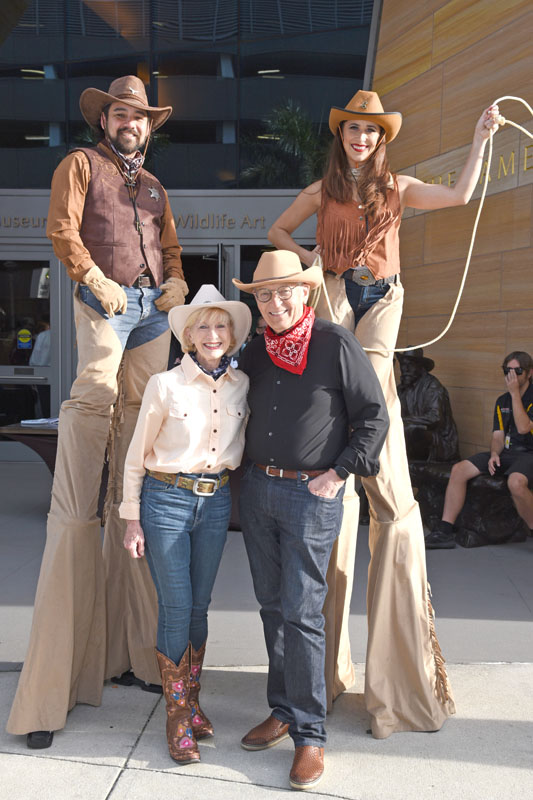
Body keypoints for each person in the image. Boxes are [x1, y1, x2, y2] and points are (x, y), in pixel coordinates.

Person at [267, 89, 501, 738]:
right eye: (353, 131)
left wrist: (480, 137)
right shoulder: (323, 188)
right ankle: (340, 453)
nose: (361, 139)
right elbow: (276, 230)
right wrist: (309, 261)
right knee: (336, 375)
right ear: (342, 135)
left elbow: (456, 196)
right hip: (337, 285)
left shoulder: (397, 186)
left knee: (370, 382)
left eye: (371, 132)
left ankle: (359, 451)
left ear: (380, 137)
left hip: (383, 294)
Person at [7, 75, 188, 748]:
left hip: (151, 315)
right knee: (93, 406)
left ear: (149, 125)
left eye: (139, 116)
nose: (130, 123)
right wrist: (94, 279)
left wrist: (174, 280)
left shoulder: (157, 187)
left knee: (143, 429)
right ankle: (62, 676)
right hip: (105, 302)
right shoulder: (79, 165)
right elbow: (61, 229)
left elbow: (169, 248)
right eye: (120, 113)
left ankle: (135, 654)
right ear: (105, 120)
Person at [233, 251, 389, 791]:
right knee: (273, 606)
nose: (274, 304)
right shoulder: (255, 352)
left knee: (302, 613)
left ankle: (310, 735)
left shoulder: (335, 343)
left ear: (304, 293)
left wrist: (339, 473)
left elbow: (374, 417)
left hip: (309, 494)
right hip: (257, 491)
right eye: (264, 295)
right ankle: (282, 710)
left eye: (284, 293)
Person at [120, 285, 250, 763]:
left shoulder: (241, 385)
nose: (212, 334)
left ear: (231, 335)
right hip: (165, 502)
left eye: (220, 325)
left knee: (200, 609)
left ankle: (192, 704)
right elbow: (136, 458)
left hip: (214, 503)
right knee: (176, 608)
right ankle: (176, 719)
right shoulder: (164, 385)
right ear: (188, 336)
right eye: (203, 326)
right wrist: (131, 518)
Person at [426, 351, 533, 549]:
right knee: (459, 470)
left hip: (529, 453)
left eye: (517, 371)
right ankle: (444, 530)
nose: (512, 376)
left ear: (529, 373)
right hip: (508, 452)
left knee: (516, 482)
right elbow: (498, 436)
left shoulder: (521, 397)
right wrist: (494, 454)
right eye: (507, 371)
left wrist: (515, 394)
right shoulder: (502, 401)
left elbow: (523, 427)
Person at [397, 348, 459, 462]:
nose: (405, 369)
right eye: (403, 365)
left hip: (439, 443)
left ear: (421, 367)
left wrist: (402, 420)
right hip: (416, 439)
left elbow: (435, 418)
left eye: (410, 365)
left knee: (411, 429)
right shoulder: (401, 389)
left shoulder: (432, 386)